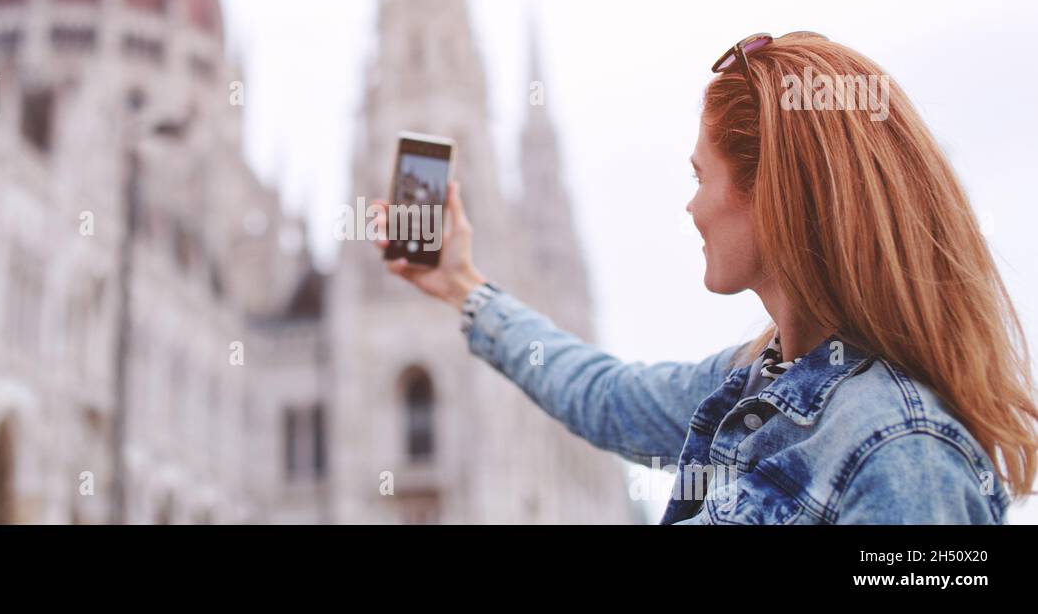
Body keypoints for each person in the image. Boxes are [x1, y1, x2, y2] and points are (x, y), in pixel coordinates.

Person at [371, 32, 1038, 524]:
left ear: (770, 195)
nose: (690, 206)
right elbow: (606, 396)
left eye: (701, 176)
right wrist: (460, 283)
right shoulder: (760, 379)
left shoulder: (906, 452)